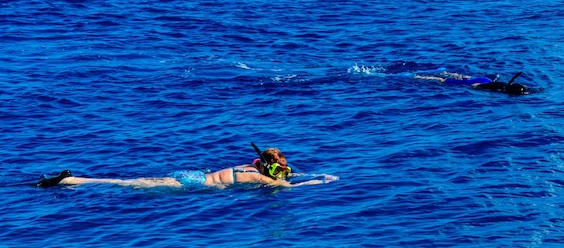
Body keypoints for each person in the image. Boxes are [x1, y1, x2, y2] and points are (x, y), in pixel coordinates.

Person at [36, 143, 339, 189]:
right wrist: (321, 181)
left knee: (132, 181)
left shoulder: (252, 165)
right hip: (190, 185)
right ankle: (71, 182)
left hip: (193, 175)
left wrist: (300, 172)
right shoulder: (260, 180)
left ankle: (77, 180)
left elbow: (278, 170)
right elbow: (287, 184)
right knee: (125, 184)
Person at [414, 71, 531, 95]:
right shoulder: (501, 91)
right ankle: (418, 76)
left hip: (486, 79)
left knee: (462, 77)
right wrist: (471, 88)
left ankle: (446, 72)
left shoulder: (506, 86)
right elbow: (475, 86)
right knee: (442, 81)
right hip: (483, 83)